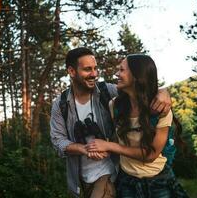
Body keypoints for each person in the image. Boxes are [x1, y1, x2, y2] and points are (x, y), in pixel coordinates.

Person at [50, 48, 171, 198]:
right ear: (72, 71)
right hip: (81, 179)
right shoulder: (60, 104)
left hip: (110, 172)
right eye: (88, 69)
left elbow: (140, 87)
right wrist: (84, 149)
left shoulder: (108, 91)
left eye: (95, 68)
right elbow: (57, 141)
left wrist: (163, 91)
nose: (94, 74)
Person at [86, 54, 189, 198]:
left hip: (158, 180)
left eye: (122, 70)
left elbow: (150, 155)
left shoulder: (160, 109)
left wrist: (108, 146)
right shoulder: (114, 105)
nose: (117, 74)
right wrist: (100, 148)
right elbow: (120, 139)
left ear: (136, 76)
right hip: (127, 181)